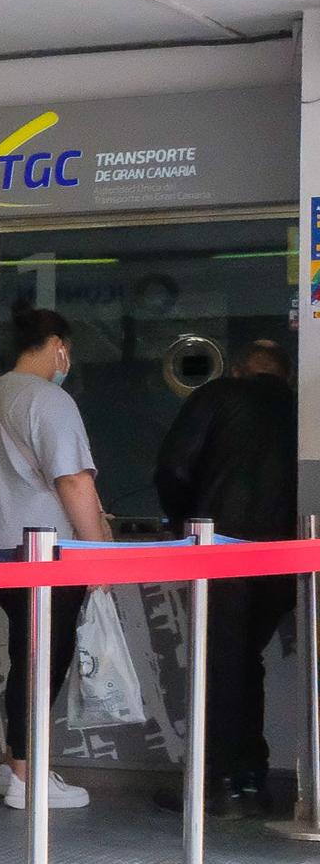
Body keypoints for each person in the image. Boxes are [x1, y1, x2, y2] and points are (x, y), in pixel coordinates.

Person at [155, 337, 297, 815]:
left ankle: (215, 783)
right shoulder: (301, 407)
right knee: (244, 660)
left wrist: (183, 523)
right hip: (283, 554)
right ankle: (252, 779)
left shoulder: (216, 396)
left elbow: (173, 466)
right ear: (285, 375)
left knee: (218, 662)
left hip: (218, 549)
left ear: (238, 370)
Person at [0, 309, 107, 811]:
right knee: (42, 663)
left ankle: (15, 762)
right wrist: (98, 553)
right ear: (57, 345)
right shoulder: (50, 400)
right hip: (48, 553)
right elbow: (74, 481)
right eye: (67, 351)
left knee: (26, 656)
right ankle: (26, 775)